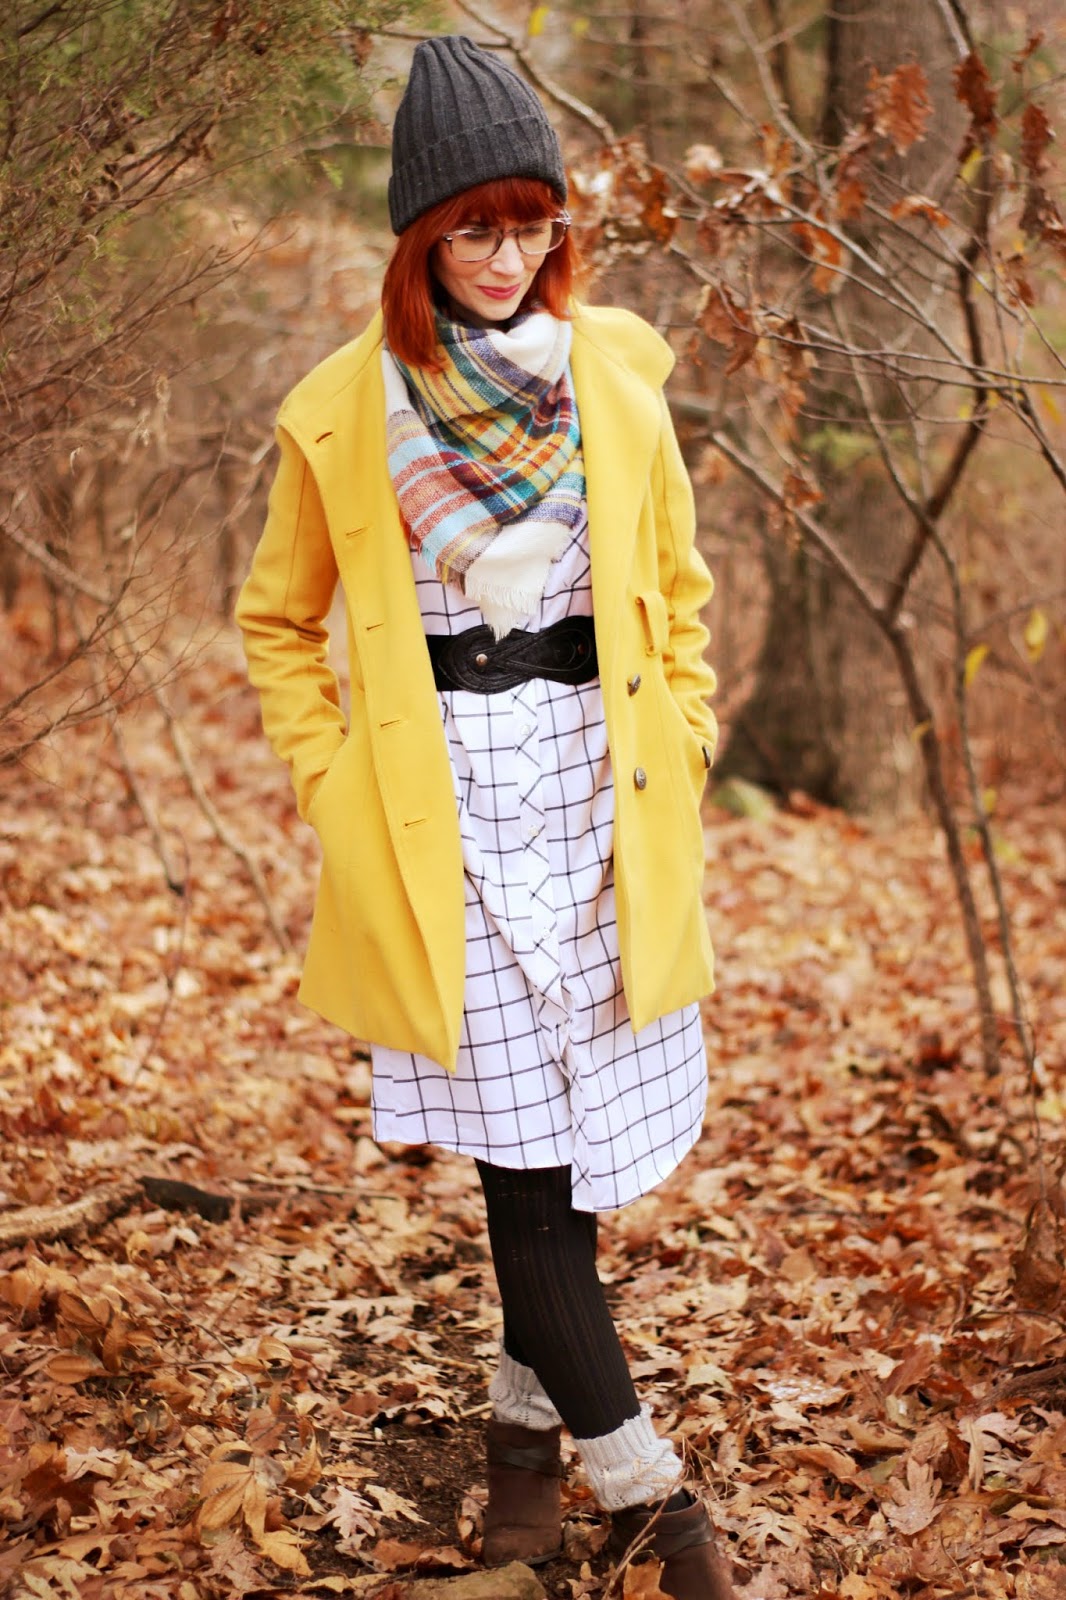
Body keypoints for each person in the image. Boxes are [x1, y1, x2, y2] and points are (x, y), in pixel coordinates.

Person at [236, 34, 736, 1600]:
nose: (508, 260)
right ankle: (653, 1503)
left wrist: (688, 742)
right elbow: (276, 623)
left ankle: (523, 1446)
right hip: (441, 821)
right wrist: (333, 787)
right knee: (522, 1168)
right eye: (474, 232)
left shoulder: (615, 379)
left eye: (531, 227)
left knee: (568, 1164)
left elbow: (678, 596)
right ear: (420, 242)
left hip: (601, 800)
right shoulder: (343, 413)